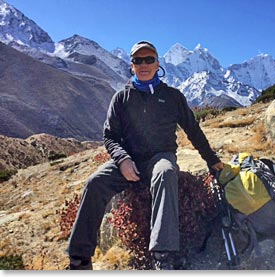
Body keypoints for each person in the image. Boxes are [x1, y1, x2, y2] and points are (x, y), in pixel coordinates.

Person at [65, 40, 224, 270]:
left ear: (158, 63)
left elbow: (193, 130)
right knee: (95, 183)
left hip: (161, 156)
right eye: (138, 60)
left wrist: (211, 160)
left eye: (149, 59)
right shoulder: (121, 98)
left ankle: (163, 255)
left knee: (166, 172)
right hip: (129, 160)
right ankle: (79, 260)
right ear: (131, 66)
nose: (144, 64)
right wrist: (122, 160)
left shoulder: (173, 97)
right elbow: (109, 136)